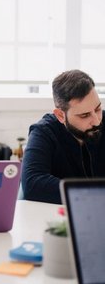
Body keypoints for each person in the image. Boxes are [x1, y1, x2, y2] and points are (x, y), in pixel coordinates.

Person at [22, 69, 105, 204]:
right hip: (60, 217)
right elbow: (32, 184)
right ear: (61, 115)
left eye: (98, 109)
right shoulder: (44, 131)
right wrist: (93, 194)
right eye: (84, 115)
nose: (96, 121)